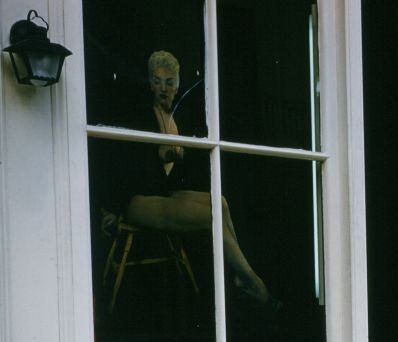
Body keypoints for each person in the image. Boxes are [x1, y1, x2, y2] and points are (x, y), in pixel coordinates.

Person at [105, 50, 274, 307]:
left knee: (222, 203)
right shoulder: (141, 115)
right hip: (137, 198)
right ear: (149, 83)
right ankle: (253, 281)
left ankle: (240, 277)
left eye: (169, 82)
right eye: (157, 81)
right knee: (210, 217)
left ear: (178, 85)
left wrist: (177, 157)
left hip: (163, 193)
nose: (163, 88)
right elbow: (124, 164)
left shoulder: (175, 119)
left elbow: (177, 173)